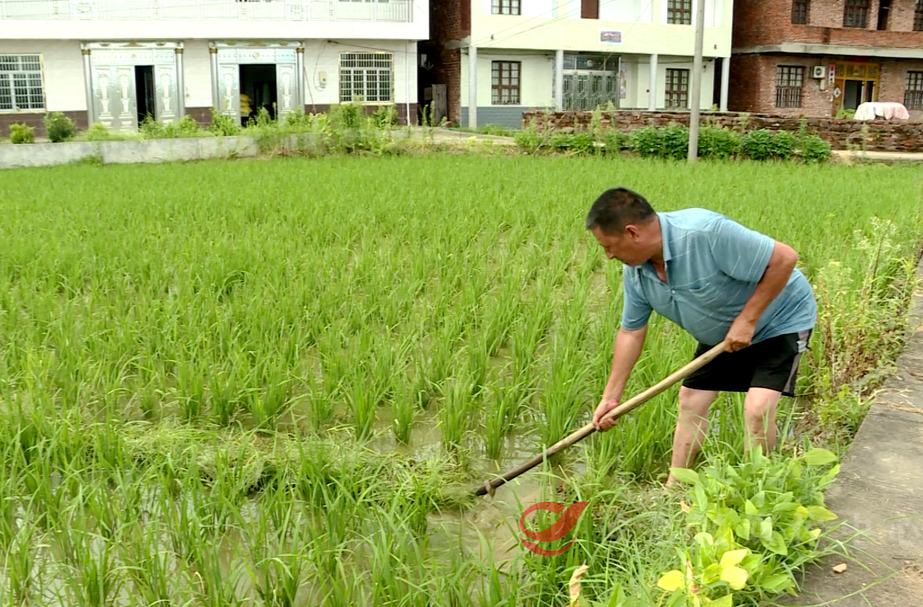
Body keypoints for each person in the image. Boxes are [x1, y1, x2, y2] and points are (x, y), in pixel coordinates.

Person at [585, 187, 817, 487]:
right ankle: (674, 489)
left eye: (609, 245)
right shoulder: (637, 272)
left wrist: (748, 320)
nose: (608, 255)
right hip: (723, 334)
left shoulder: (704, 232)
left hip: (779, 319)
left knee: (758, 409)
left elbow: (785, 258)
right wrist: (610, 398)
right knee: (691, 400)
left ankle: (757, 489)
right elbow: (631, 331)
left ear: (632, 233)